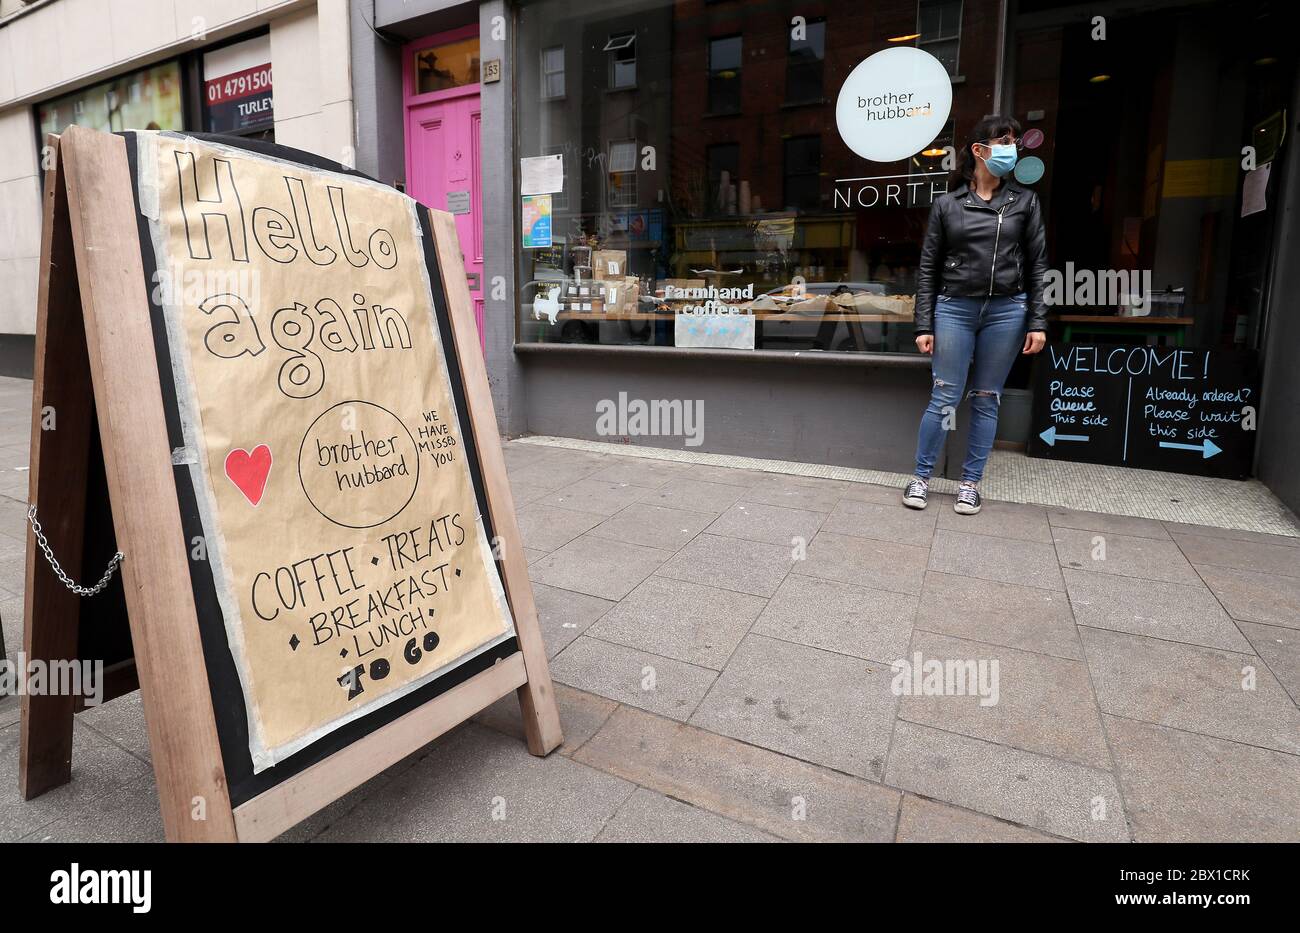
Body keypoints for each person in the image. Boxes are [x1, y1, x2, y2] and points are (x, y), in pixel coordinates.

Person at [903, 115, 1049, 515]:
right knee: (945, 394)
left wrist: (1037, 320)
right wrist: (923, 323)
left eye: (1016, 141)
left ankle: (970, 483)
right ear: (980, 150)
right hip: (954, 308)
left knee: (986, 398)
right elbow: (928, 267)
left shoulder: (1025, 202)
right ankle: (920, 477)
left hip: (1007, 311)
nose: (1012, 148)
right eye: (1004, 140)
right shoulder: (947, 205)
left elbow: (1037, 265)